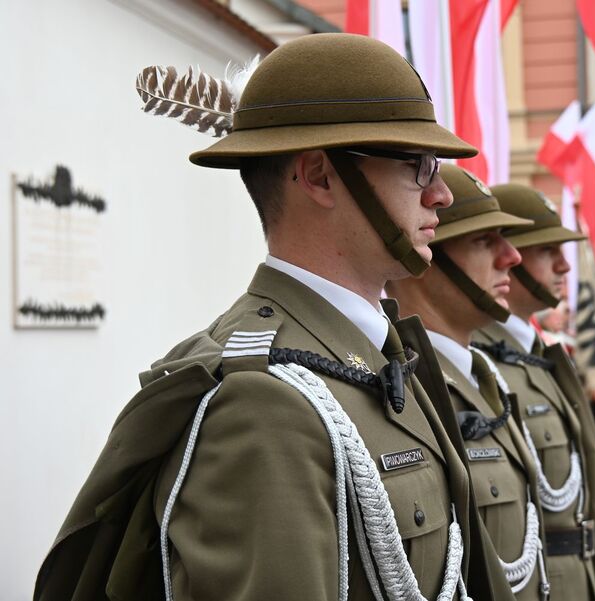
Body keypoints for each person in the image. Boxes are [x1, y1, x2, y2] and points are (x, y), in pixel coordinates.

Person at [35, 34, 502, 601]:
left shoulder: (380, 356)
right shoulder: (263, 403)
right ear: (319, 177)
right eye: (419, 166)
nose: (442, 196)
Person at [387, 165, 552, 600]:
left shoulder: (483, 377)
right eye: (484, 240)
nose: (511, 258)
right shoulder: (408, 384)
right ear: (426, 255)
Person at [470, 183, 595, 601]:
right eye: (546, 250)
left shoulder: (536, 354)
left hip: (581, 579)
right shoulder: (479, 364)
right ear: (509, 257)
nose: (564, 267)